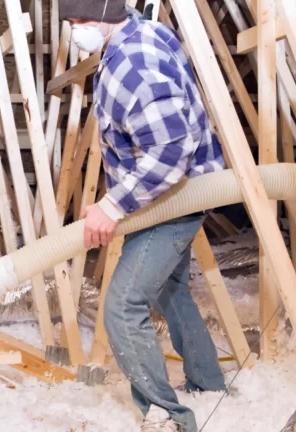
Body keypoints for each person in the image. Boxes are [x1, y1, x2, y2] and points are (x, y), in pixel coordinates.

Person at [57, 1, 228, 431]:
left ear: (109, 13)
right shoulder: (141, 33)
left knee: (121, 307)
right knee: (169, 291)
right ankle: (208, 386)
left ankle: (169, 417)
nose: (75, 31)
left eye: (80, 21)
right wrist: (110, 200)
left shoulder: (134, 64)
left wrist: (113, 206)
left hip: (173, 201)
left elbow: (170, 152)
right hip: (162, 196)